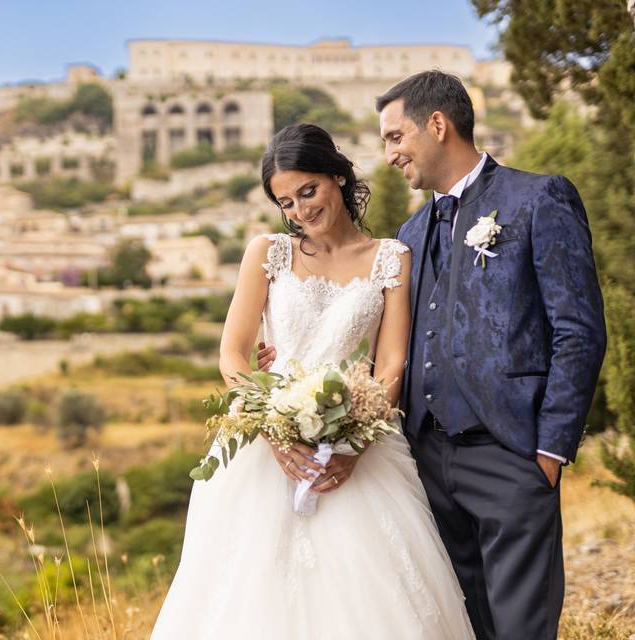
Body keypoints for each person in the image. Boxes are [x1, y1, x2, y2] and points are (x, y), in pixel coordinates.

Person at [257, 71, 607, 639]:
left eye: (396, 137)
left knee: (521, 627)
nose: (390, 154)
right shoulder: (410, 235)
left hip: (512, 454)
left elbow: (579, 331)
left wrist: (549, 449)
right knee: (458, 626)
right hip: (425, 464)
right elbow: (386, 345)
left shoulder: (537, 199)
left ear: (437, 125)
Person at [150, 123, 475, 639]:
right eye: (286, 202)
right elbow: (232, 353)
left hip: (359, 445)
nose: (301, 210)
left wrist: (355, 441)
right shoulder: (267, 253)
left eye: (309, 191)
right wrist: (272, 428)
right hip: (263, 447)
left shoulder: (392, 258)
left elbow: (391, 364)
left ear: (337, 178)